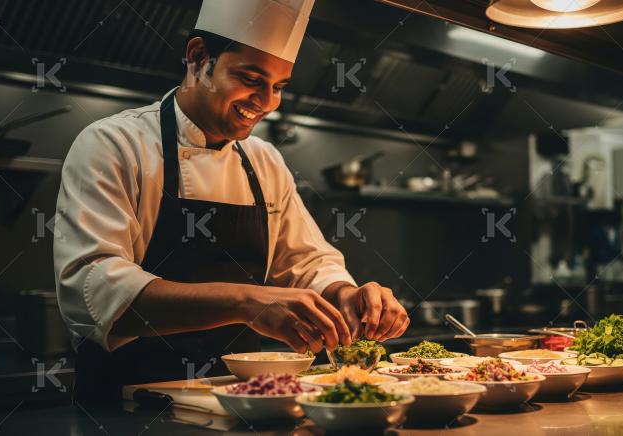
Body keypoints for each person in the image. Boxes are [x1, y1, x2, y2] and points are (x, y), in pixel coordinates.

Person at [53, 0, 408, 400]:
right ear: (198, 56)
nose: (267, 101)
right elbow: (94, 287)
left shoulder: (264, 160)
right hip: (129, 400)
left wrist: (345, 295)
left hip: (238, 399)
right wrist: (245, 301)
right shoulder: (113, 144)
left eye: (278, 87)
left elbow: (307, 263)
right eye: (251, 78)